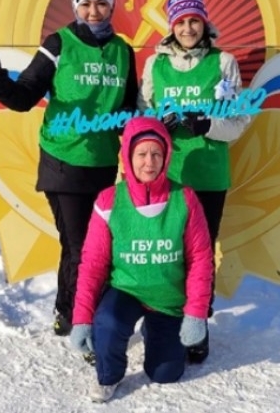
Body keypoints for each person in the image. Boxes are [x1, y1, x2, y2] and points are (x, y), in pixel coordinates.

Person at [0, 0, 139, 337]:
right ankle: (73, 315)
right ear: (75, 6)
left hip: (103, 162)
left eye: (100, 3)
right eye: (85, 4)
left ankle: (79, 309)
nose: (93, 11)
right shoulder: (59, 43)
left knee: (97, 244)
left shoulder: (123, 51)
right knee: (79, 245)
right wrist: (1, 86)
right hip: (63, 162)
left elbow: (128, 109)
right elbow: (26, 95)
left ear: (111, 5)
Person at [136, 0, 250, 364]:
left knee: (200, 255)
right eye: (181, 22)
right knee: (165, 252)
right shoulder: (155, 65)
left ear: (204, 23)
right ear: (172, 26)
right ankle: (164, 321)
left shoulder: (224, 62)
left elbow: (239, 121)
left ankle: (198, 326)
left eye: (194, 21)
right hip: (164, 174)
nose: (188, 28)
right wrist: (158, 125)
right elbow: (141, 118)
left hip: (208, 175)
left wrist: (207, 124)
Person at [68, 116, 214, 403]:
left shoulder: (184, 198)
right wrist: (82, 318)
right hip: (126, 290)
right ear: (128, 157)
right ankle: (109, 375)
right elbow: (92, 265)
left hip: (168, 296)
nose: (149, 162)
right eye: (142, 154)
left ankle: (155, 330)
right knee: (108, 323)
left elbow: (200, 260)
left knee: (165, 373)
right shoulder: (109, 200)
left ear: (166, 156)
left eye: (156, 153)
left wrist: (195, 314)